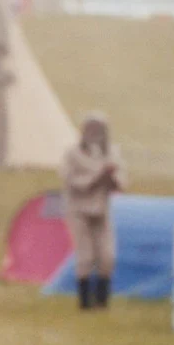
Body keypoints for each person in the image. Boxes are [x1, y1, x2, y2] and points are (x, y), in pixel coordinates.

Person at [62, 113, 123, 308]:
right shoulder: (73, 154)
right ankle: (85, 303)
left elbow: (120, 185)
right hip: (79, 210)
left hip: (101, 210)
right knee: (85, 255)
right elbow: (75, 184)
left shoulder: (112, 153)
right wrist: (99, 175)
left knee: (107, 255)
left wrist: (111, 177)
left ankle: (102, 300)